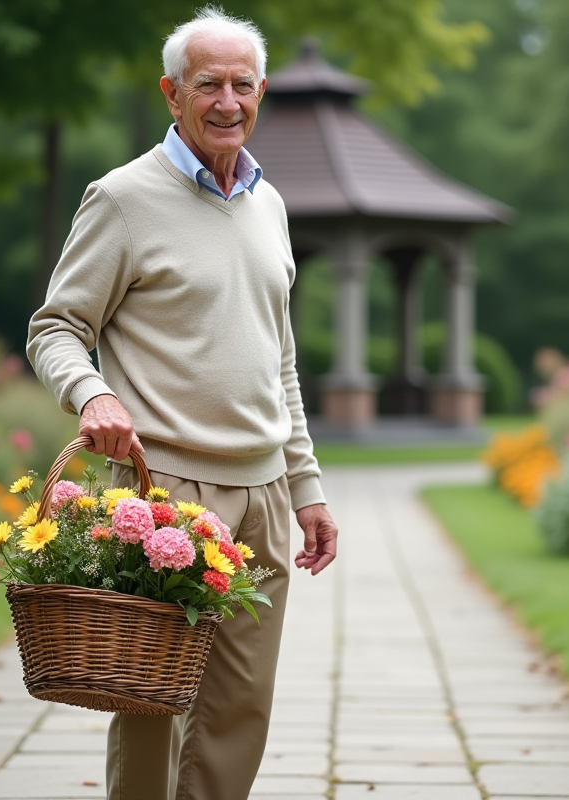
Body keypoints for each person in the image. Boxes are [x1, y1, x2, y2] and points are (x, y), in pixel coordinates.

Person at [26, 8, 338, 800]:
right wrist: (92, 392)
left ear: (261, 90)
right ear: (172, 93)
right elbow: (57, 327)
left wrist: (305, 487)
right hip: (165, 491)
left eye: (242, 84)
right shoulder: (124, 199)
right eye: (209, 84)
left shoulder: (270, 205)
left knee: (241, 707)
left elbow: (282, 361)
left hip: (264, 494)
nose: (227, 100)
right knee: (150, 702)